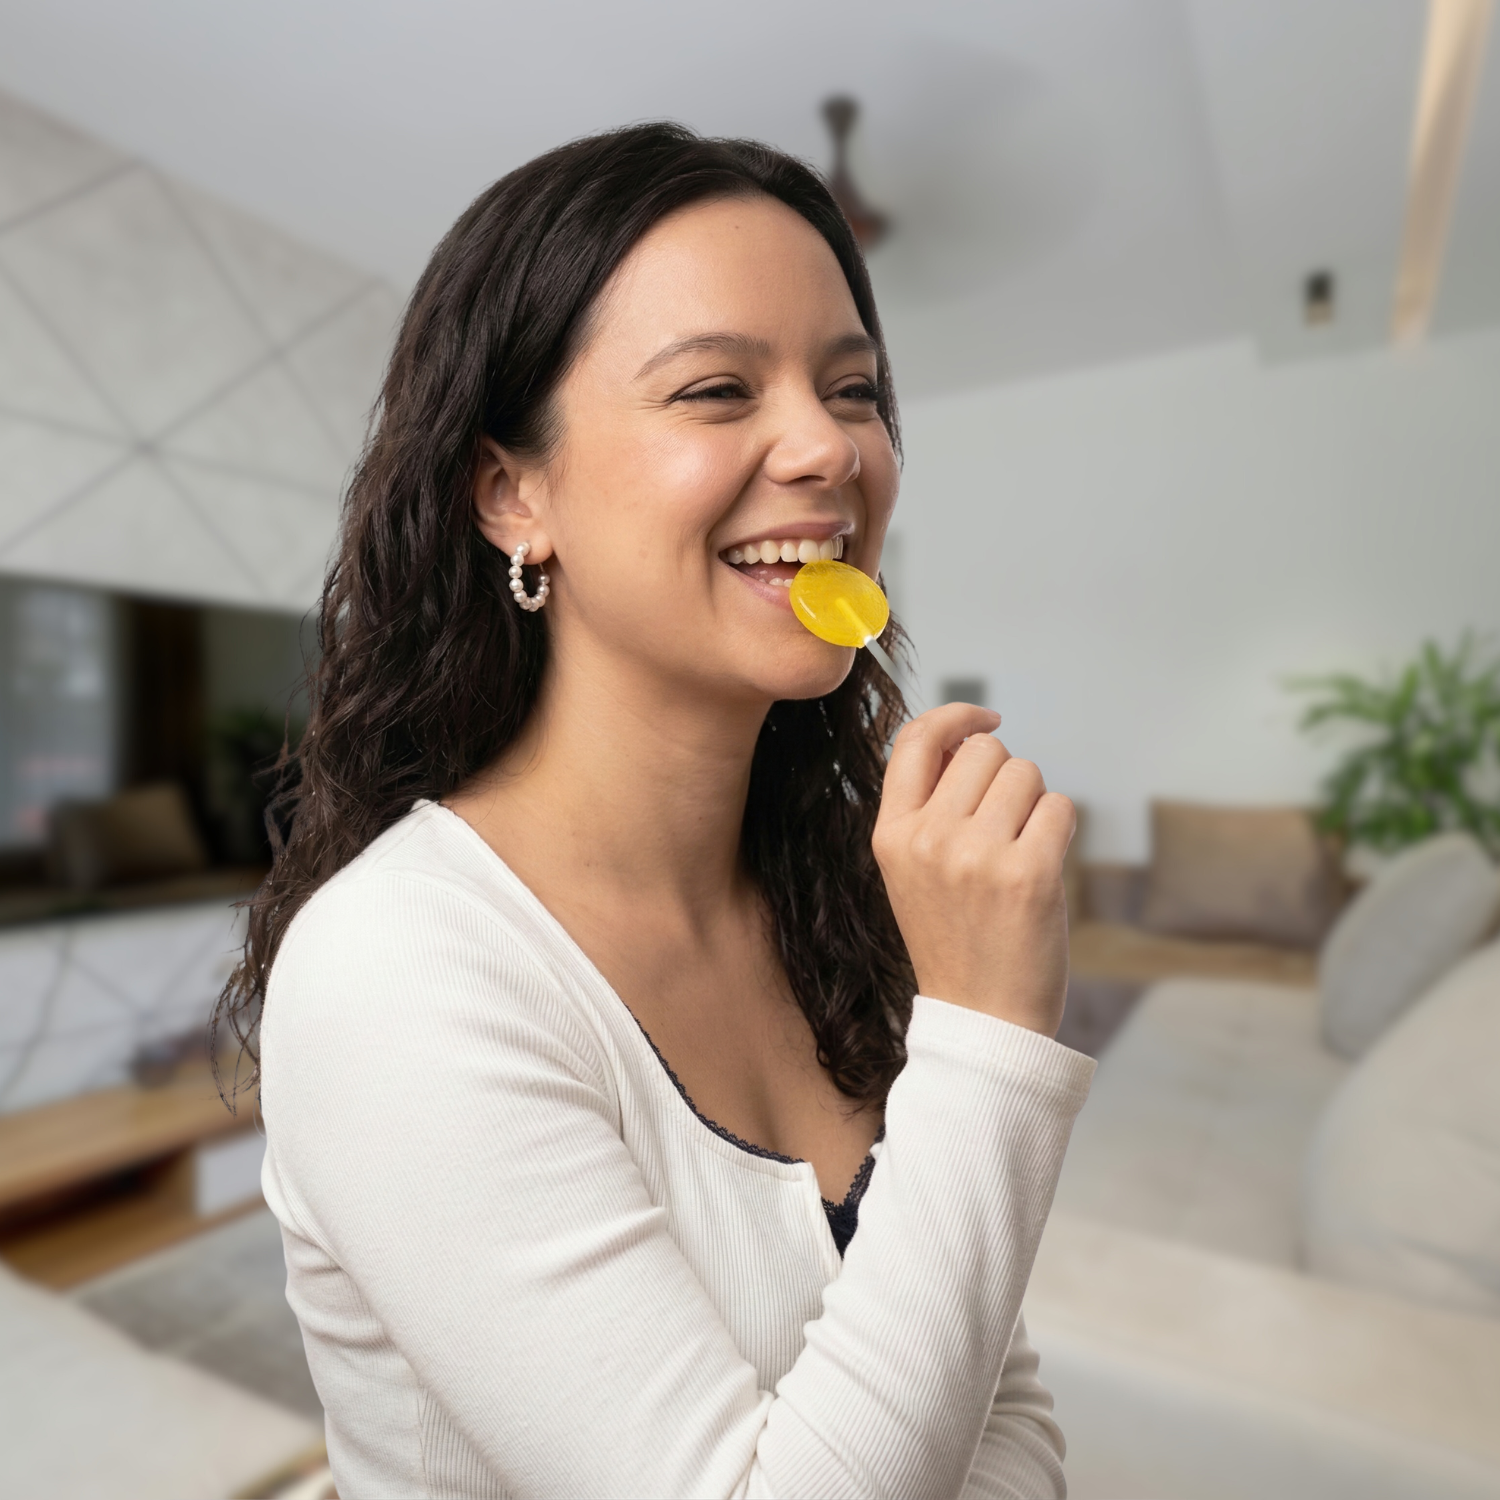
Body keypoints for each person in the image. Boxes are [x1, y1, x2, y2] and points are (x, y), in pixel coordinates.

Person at [222, 123, 1094, 1499]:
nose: (829, 446)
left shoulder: (828, 893)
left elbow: (1007, 1408)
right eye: (716, 390)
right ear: (513, 493)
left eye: (854, 389)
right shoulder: (397, 968)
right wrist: (984, 1036)